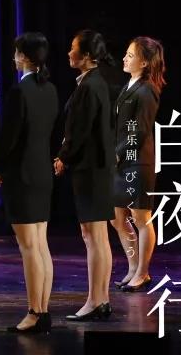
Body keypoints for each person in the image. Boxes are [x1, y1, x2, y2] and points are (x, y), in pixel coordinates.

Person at [0, 32, 57, 334]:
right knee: (40, 244)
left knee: (29, 246)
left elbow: (8, 137)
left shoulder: (20, 91)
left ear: (25, 57)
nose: (13, 57)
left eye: (17, 52)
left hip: (23, 175)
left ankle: (34, 312)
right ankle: (42, 310)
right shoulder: (50, 89)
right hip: (42, 173)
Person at [55, 30, 116, 321]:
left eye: (73, 48)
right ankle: (100, 299)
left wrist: (63, 157)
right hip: (96, 168)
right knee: (95, 235)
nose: (69, 53)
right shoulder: (94, 82)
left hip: (91, 168)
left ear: (87, 56)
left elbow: (79, 131)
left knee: (94, 235)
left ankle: (96, 300)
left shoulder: (90, 85)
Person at [109, 36, 165, 293]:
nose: (124, 58)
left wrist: (118, 154)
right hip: (122, 160)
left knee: (141, 218)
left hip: (136, 162)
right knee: (117, 217)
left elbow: (139, 130)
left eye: (130, 55)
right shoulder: (129, 85)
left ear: (144, 62)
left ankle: (143, 272)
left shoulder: (147, 89)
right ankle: (133, 267)